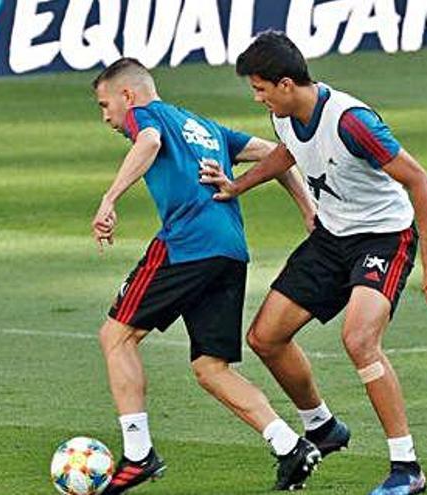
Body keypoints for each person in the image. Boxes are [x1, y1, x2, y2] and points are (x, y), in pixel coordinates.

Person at [199, 31, 427, 495]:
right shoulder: (283, 115)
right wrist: (238, 184)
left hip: (384, 238)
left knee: (360, 339)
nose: (256, 96)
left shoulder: (352, 121)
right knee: (265, 337)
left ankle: (407, 467)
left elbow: (420, 181)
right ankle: (321, 426)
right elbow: (288, 152)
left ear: (286, 84)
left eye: (260, 87)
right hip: (331, 238)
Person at [90, 58, 321, 493]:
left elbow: (150, 142)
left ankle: (138, 454)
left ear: (127, 95)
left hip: (186, 245)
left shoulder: (149, 115)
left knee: (116, 335)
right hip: (230, 250)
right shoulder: (203, 125)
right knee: (210, 367)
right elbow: (278, 157)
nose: (107, 118)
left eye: (106, 105)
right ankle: (290, 446)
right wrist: (308, 209)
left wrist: (109, 199)